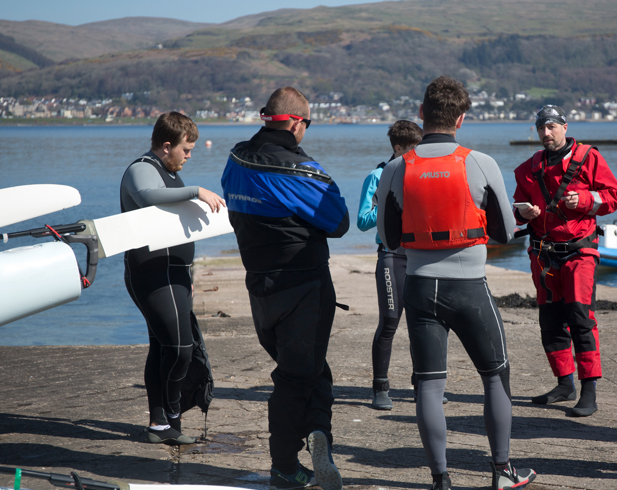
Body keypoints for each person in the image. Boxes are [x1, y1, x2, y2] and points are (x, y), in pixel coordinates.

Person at [376, 76, 535, 490]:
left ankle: (441, 480)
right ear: (461, 119)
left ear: (422, 113)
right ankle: (501, 472)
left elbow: (390, 239)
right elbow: (503, 233)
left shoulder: (395, 168)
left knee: (429, 383)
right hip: (469, 287)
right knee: (496, 374)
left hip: (419, 287)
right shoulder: (480, 163)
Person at [221, 87, 348, 490]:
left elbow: (238, 206)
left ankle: (317, 431)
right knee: (296, 378)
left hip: (259, 288)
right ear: (296, 122)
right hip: (304, 287)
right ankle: (286, 465)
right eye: (306, 124)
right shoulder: (300, 171)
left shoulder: (235, 159)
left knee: (310, 369)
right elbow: (339, 222)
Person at [120, 112, 226, 445]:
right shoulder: (142, 169)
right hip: (150, 274)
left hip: (176, 275)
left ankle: (158, 425)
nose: (189, 156)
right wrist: (196, 191)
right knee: (180, 349)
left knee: (162, 346)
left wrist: (189, 274)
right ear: (167, 146)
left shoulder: (170, 172)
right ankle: (173, 415)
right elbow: (147, 197)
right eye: (186, 150)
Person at [512, 105, 617, 417]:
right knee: (550, 320)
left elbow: (615, 196)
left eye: (551, 127)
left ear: (564, 126)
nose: (546, 133)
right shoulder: (527, 168)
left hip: (579, 252)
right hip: (543, 255)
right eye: (541, 128)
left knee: (580, 318)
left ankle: (589, 391)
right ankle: (564, 384)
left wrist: (586, 200)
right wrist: (523, 212)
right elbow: (516, 205)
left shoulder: (589, 158)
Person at [357, 120, 422, 411]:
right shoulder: (377, 176)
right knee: (390, 322)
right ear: (398, 148)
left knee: (422, 323)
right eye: (413, 150)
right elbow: (362, 221)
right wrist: (390, 205)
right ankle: (380, 387)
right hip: (391, 256)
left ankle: (423, 384)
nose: (418, 155)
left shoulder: (422, 173)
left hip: (420, 256)